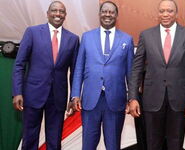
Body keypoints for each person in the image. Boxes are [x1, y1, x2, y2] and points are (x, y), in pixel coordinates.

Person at [127, 0, 185, 149]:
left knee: (176, 143)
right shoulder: (146, 35)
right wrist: (133, 97)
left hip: (179, 100)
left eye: (169, 11)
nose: (165, 14)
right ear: (158, 13)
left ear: (176, 13)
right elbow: (136, 69)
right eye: (162, 11)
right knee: (153, 144)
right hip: (152, 99)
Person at [12, 1, 79, 149]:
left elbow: (75, 72)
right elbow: (19, 64)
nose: (58, 14)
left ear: (65, 15)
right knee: (30, 138)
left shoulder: (73, 39)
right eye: (54, 10)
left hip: (58, 97)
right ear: (47, 13)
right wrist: (17, 92)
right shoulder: (32, 32)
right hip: (32, 94)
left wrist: (73, 97)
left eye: (61, 11)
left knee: (54, 141)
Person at [70, 1, 134, 150]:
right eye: (104, 11)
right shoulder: (86, 37)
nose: (107, 14)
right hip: (91, 100)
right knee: (88, 145)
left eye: (111, 12)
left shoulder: (127, 39)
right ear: (99, 14)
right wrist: (75, 94)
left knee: (113, 145)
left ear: (117, 16)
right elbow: (78, 68)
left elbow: (130, 73)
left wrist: (132, 98)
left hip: (115, 101)